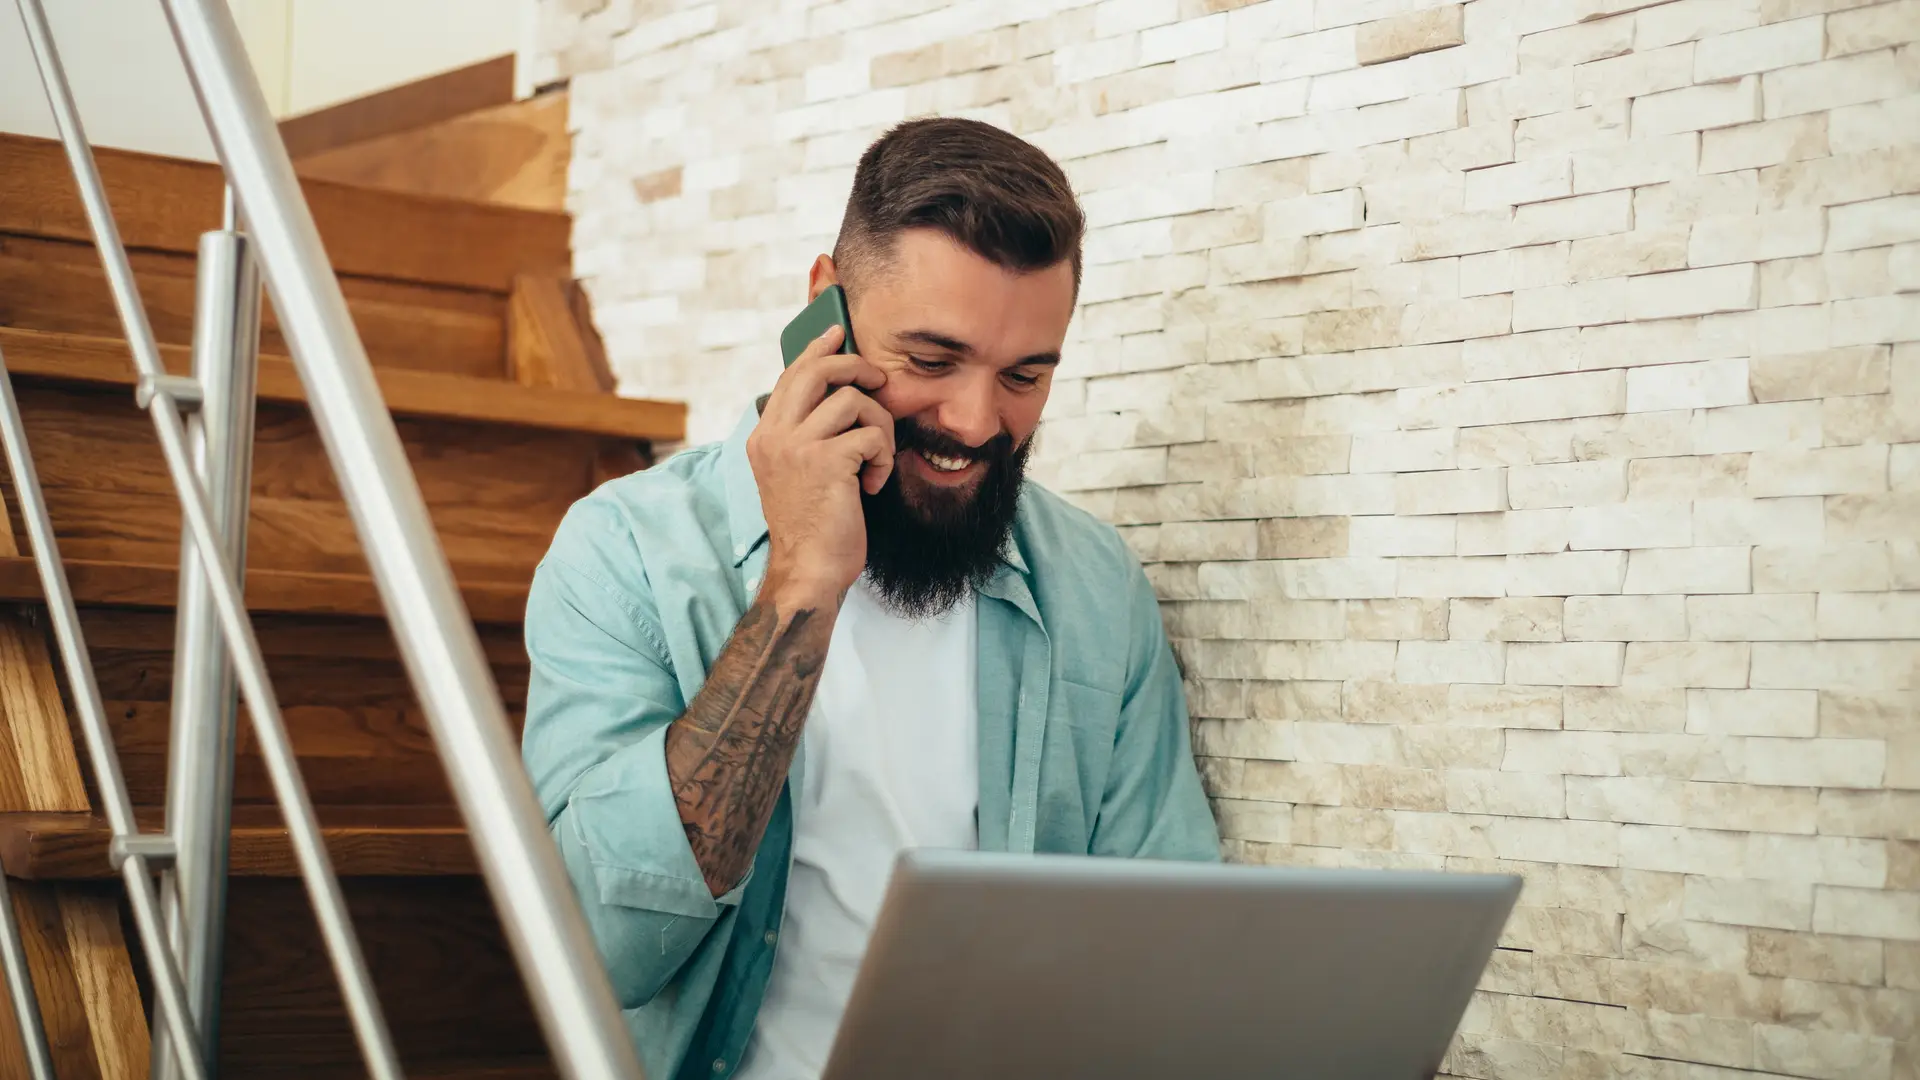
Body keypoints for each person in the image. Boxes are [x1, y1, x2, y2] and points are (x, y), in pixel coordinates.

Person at [520, 116, 1219, 1080]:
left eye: (1023, 376)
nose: (976, 422)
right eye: (931, 362)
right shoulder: (625, 553)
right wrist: (804, 582)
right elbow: (603, 946)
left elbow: (1171, 947)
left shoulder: (1095, 586)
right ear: (827, 311)